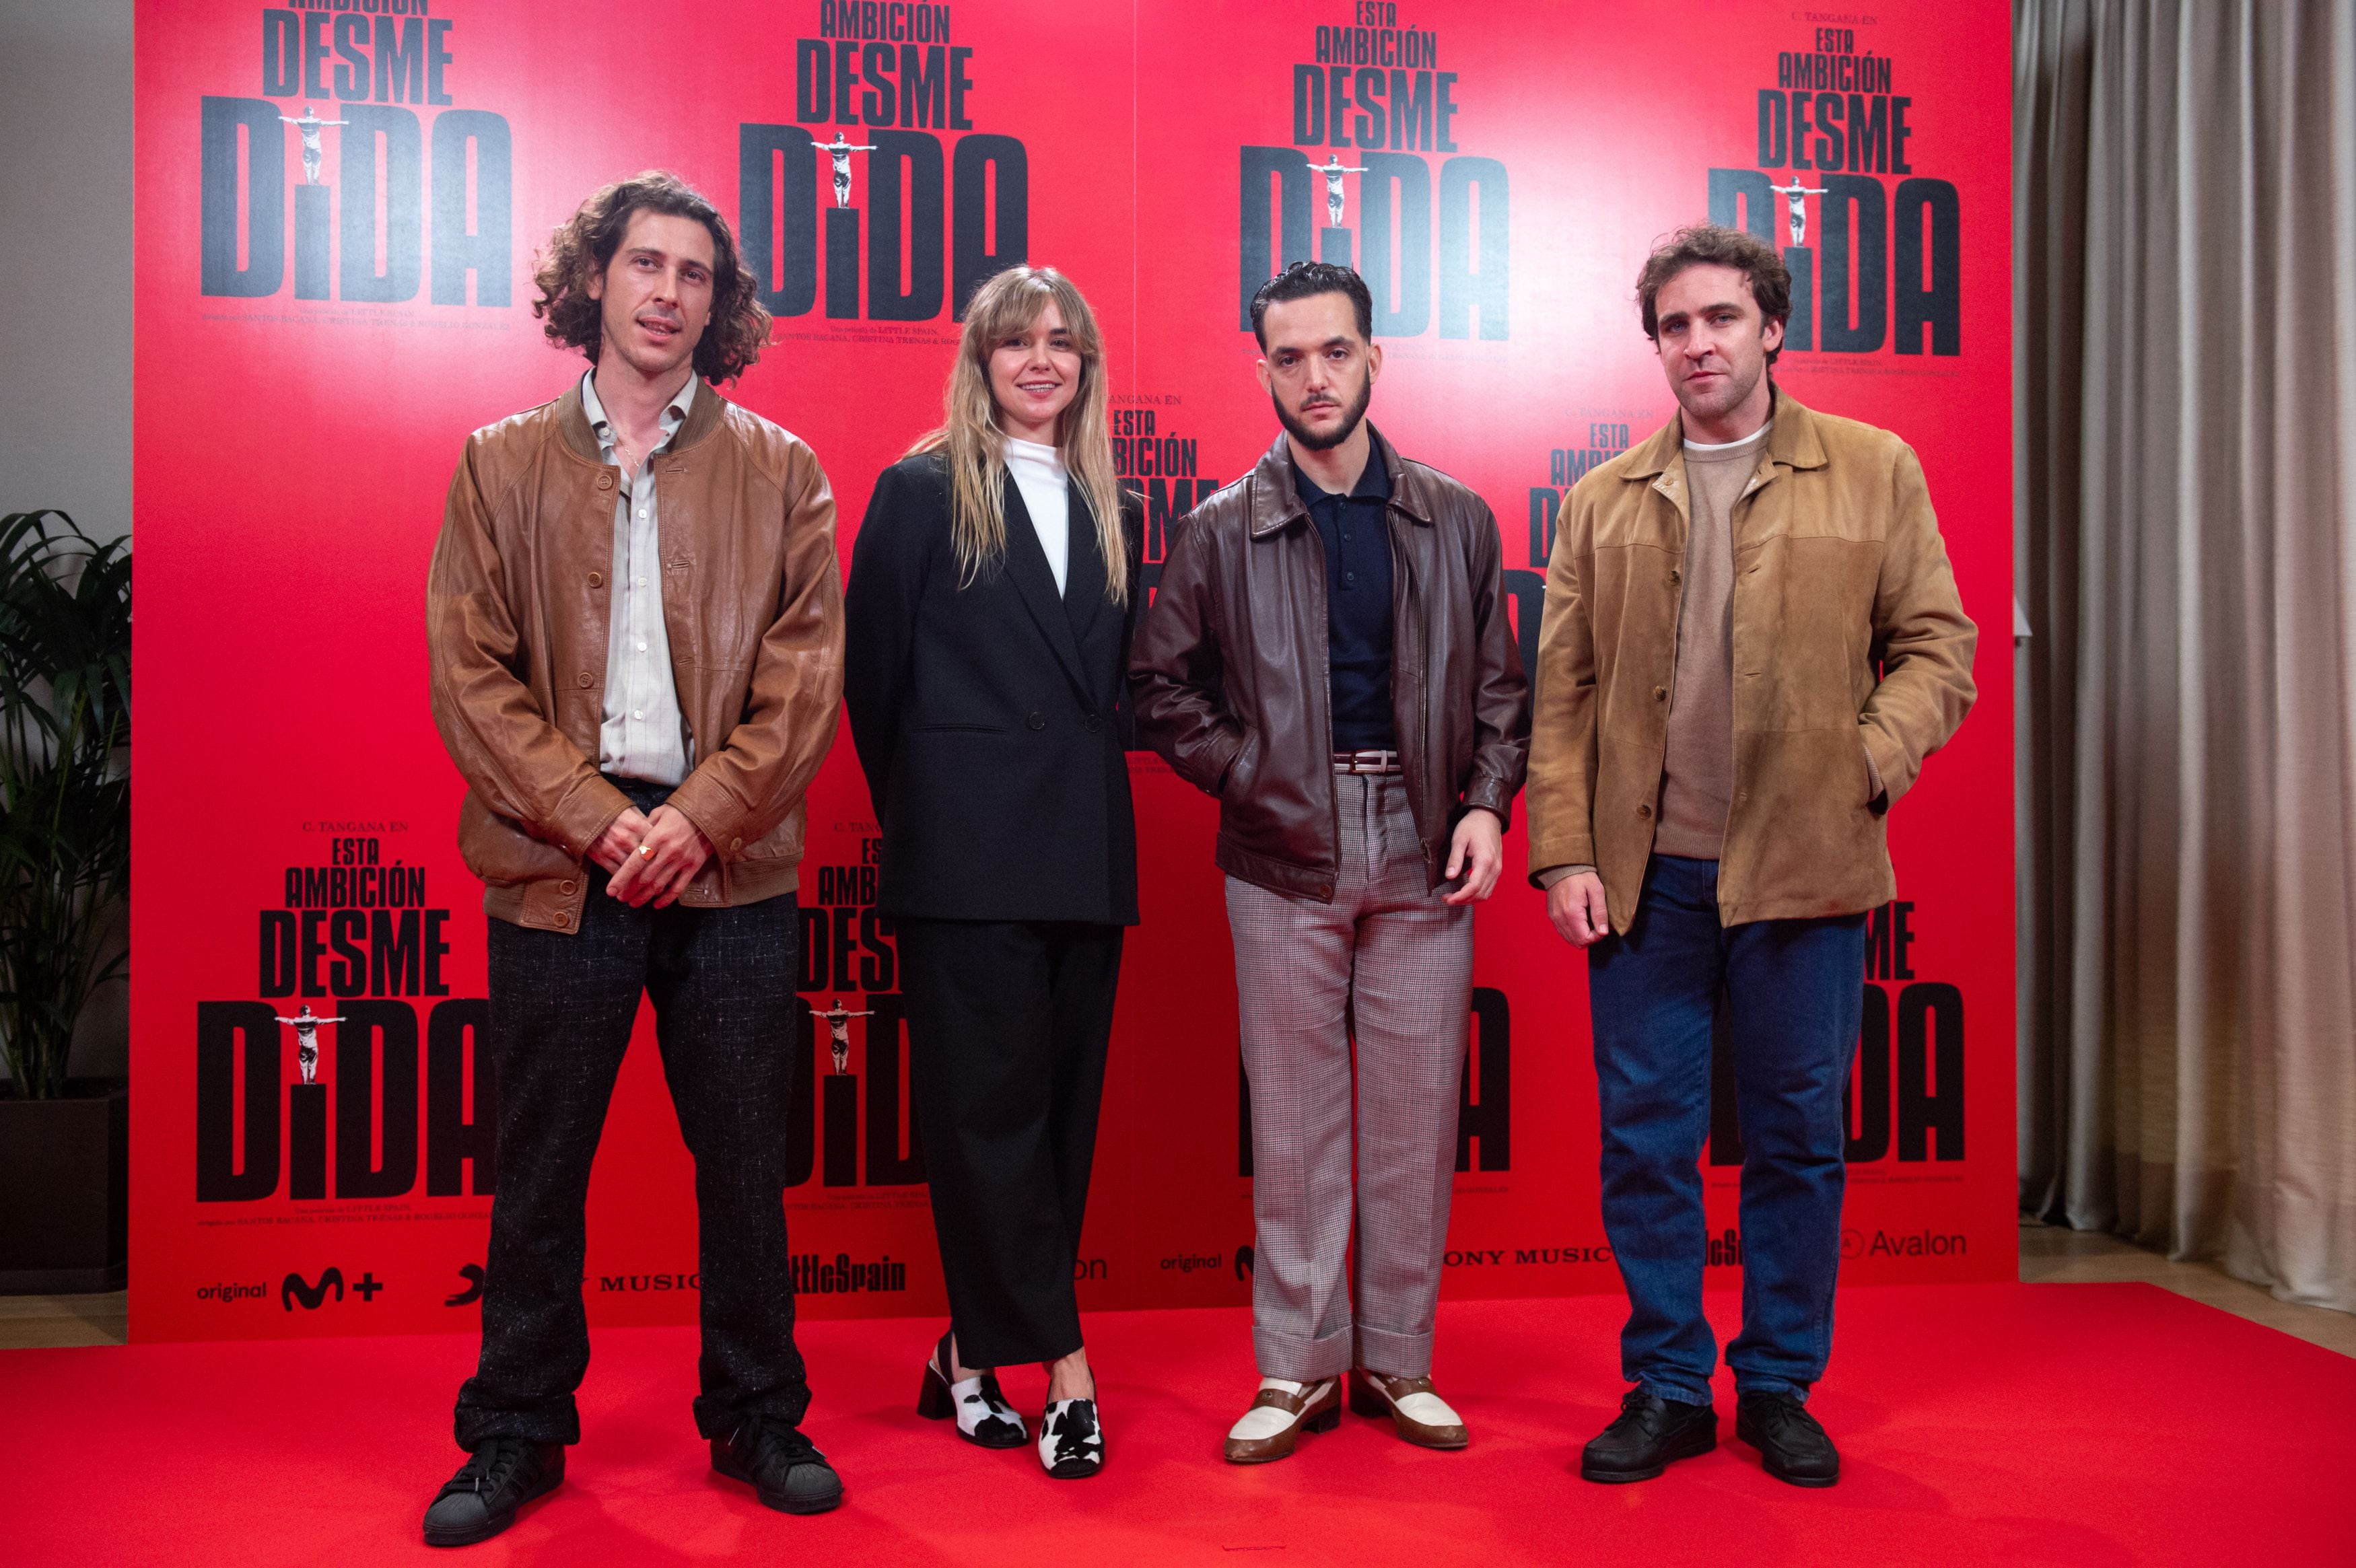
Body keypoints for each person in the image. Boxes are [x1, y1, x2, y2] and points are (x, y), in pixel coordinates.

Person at [420, 171, 847, 1544]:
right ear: (592, 281)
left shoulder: (784, 470)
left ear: (719, 309)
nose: (667, 292)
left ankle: (758, 1418)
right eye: (644, 264)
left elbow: (803, 682)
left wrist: (698, 818)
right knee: (537, 1170)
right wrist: (592, 817)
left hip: (728, 866)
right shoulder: (498, 462)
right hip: (560, 863)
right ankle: (514, 1433)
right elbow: (470, 678)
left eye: (695, 276)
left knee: (742, 1164)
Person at [1525, 225, 1976, 1489]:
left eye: (1721, 318)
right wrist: (1563, 850)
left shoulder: (1874, 469)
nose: (1698, 343)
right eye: (1675, 325)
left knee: (1796, 1137)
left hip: (1809, 872)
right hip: (1648, 880)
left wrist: (1864, 761)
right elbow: (1561, 694)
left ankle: (1778, 1381)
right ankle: (1668, 1383)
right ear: (1655, 343)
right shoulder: (1603, 498)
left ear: (1772, 326)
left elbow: (1941, 647)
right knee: (1648, 1138)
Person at [1132, 260, 1529, 1464]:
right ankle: (1297, 1370)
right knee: (1298, 1124)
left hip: (1426, 842)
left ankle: (1398, 1360)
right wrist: (1255, 774)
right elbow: (1157, 685)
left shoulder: (1456, 516)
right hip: (1280, 850)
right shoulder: (1217, 527)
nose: (1315, 376)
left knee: (1412, 1121)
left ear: (1374, 358)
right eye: (1290, 356)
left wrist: (1488, 806)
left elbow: (1501, 688)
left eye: (1336, 351)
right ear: (1262, 369)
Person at [844, 265, 1142, 1481]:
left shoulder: (1106, 501)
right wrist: (935, 815)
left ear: (1086, 368)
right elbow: (870, 685)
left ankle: (969, 1349)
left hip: (1085, 853)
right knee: (987, 1122)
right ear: (978, 359)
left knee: (1059, 1123)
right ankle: (1061, 1366)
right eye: (1016, 341)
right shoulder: (917, 493)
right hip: (963, 859)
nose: (1041, 361)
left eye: (1062, 343)